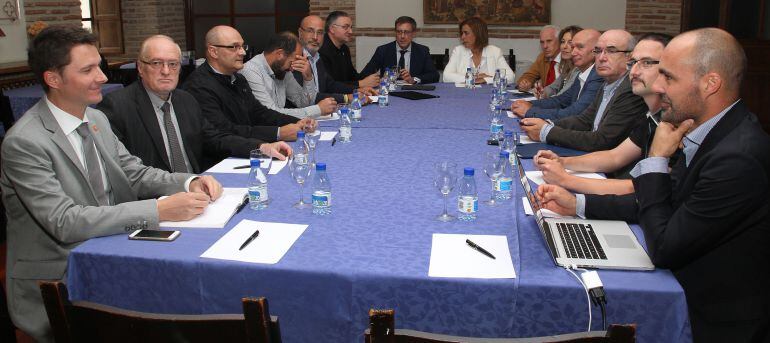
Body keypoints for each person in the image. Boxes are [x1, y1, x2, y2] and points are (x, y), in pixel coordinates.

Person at [537, 28, 770, 342]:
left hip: (707, 317)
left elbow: (663, 247)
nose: (659, 86)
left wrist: (657, 159)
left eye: (669, 77)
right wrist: (578, 205)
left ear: (710, 83)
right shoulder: (708, 130)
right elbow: (655, 200)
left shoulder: (736, 158)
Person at [0, 26, 223, 342]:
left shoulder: (95, 119)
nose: (103, 78)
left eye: (99, 67)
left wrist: (188, 181)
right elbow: (65, 222)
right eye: (88, 70)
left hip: (113, 249)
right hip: (61, 280)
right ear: (53, 79)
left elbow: (134, 172)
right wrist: (159, 209)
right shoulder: (25, 142)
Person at [98, 35, 292, 174]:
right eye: (157, 63)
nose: (166, 71)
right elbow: (124, 172)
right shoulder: (118, 106)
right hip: (157, 201)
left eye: (173, 64)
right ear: (140, 68)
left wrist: (261, 147)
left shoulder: (185, 100)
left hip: (199, 189)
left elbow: (215, 139)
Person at [533, 33, 672, 195]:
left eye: (647, 63)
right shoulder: (651, 117)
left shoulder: (676, 121)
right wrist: (561, 161)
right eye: (633, 63)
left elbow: (642, 188)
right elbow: (615, 157)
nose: (634, 71)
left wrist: (566, 180)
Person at [182, 25, 316, 143]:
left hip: (247, 148)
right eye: (234, 47)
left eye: (242, 46)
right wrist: (278, 133)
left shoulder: (238, 79)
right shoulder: (198, 86)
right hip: (219, 161)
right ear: (213, 51)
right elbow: (225, 130)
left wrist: (295, 121)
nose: (243, 52)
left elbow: (260, 113)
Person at [520, 29, 647, 152]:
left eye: (611, 51)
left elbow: (601, 140)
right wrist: (548, 123)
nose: (601, 58)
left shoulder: (630, 89)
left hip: (608, 168)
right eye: (598, 51)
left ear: (630, 57)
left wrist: (546, 131)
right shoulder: (607, 82)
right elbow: (584, 120)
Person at [510, 29, 602, 121]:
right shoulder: (583, 72)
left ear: (596, 51)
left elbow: (573, 113)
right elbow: (561, 100)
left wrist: (529, 111)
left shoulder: (598, 76)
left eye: (580, 47)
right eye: (573, 47)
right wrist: (529, 104)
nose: (573, 52)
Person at [241, 31, 337, 119]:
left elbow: (302, 103)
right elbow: (271, 113)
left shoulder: (283, 70)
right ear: (279, 54)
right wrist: (318, 109)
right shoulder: (251, 71)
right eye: (292, 62)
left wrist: (308, 78)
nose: (292, 68)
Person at [296, 15, 363, 104]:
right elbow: (308, 97)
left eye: (320, 32)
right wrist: (345, 98)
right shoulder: (295, 58)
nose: (315, 37)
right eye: (310, 31)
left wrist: (358, 90)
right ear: (300, 33)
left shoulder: (317, 57)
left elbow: (330, 84)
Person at [359, 16, 440, 84]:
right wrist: (379, 80)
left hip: (413, 92)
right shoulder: (383, 50)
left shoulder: (422, 51)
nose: (402, 36)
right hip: (389, 93)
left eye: (406, 32)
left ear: (413, 33)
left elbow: (434, 76)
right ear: (395, 33)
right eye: (399, 32)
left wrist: (413, 79)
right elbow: (364, 75)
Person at [442, 17, 515, 84]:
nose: (462, 37)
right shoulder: (458, 50)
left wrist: (486, 79)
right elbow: (446, 76)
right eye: (462, 33)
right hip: (464, 94)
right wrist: (473, 78)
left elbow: (510, 77)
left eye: (466, 33)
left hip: (488, 94)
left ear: (478, 34)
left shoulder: (495, 51)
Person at [318, 11, 380, 88]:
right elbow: (329, 85)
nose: (351, 31)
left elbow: (352, 76)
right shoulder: (321, 50)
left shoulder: (344, 48)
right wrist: (360, 84)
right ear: (332, 29)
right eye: (345, 27)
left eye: (351, 27)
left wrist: (370, 79)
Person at [541, 25, 582, 98]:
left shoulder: (579, 69)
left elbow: (561, 98)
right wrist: (542, 92)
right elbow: (553, 87)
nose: (564, 46)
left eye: (570, 42)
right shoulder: (568, 66)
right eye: (563, 42)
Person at [517, 25, 561, 91]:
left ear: (559, 41)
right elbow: (529, 75)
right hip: (545, 99)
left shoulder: (568, 58)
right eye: (542, 42)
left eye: (549, 41)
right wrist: (525, 83)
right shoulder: (542, 57)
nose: (545, 46)